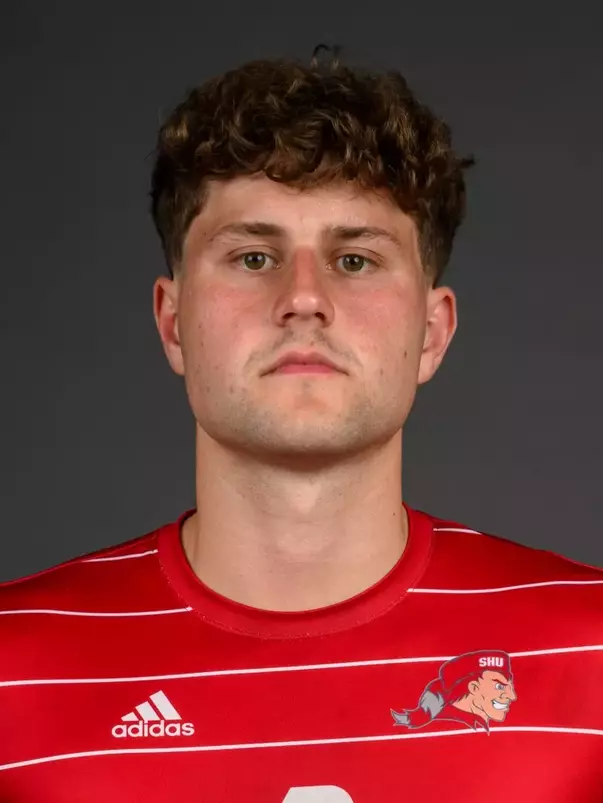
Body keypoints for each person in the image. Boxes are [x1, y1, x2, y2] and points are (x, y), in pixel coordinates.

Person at [0, 45, 601, 803]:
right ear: (173, 321)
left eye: (354, 260)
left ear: (433, 331)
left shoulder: (592, 650)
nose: (303, 298)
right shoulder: (11, 670)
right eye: (253, 257)